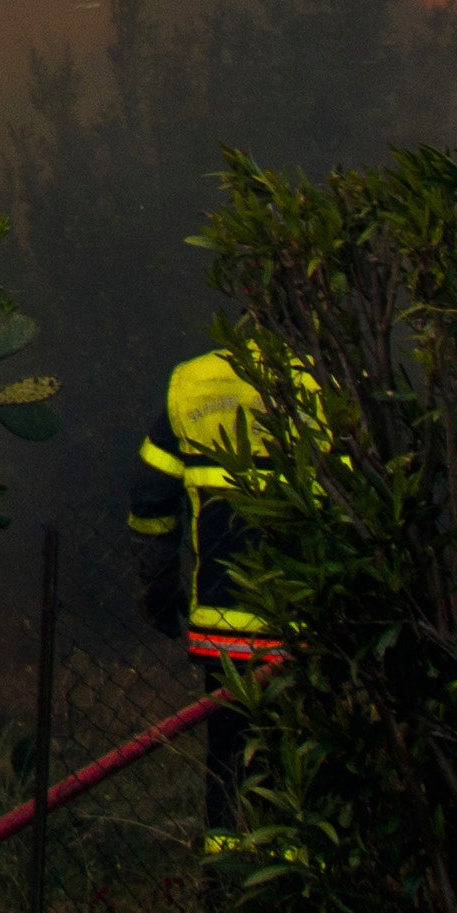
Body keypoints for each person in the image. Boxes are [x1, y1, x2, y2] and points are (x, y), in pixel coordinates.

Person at [131, 341, 296, 837]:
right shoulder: (331, 381)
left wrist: (159, 587)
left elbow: (151, 494)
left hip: (226, 625)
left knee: (229, 757)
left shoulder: (196, 381)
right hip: (310, 623)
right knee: (303, 762)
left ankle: (227, 885)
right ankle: (303, 888)